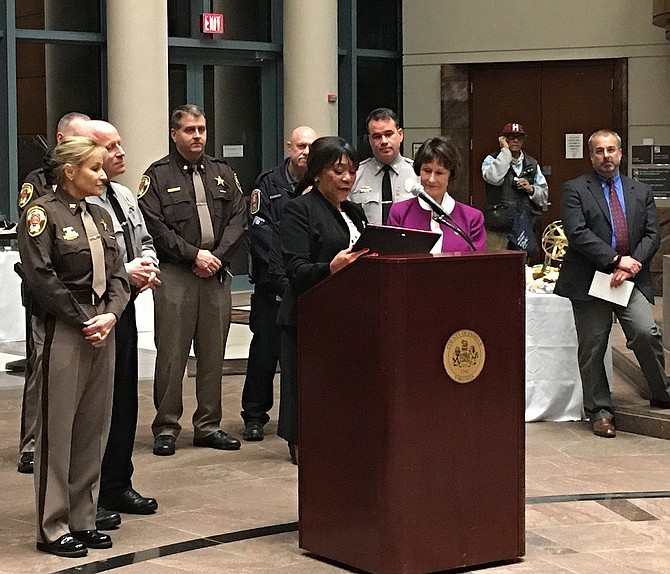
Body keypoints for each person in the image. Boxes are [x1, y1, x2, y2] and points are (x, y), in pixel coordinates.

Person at [17, 136, 130, 557]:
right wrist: (86, 320)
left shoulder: (100, 215)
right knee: (57, 430)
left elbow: (119, 274)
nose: (104, 175)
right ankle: (52, 526)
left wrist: (113, 315)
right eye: (95, 169)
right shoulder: (41, 214)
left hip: (104, 324)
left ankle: (83, 519)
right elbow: (42, 278)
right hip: (67, 327)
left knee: (92, 429)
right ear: (70, 172)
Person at [138, 104, 247, 456]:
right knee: (172, 355)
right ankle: (167, 427)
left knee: (213, 353)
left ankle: (208, 425)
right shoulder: (156, 176)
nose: (197, 135)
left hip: (216, 274)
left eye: (201, 129)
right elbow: (155, 226)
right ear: (175, 134)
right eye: (189, 130)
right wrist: (192, 255)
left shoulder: (222, 171)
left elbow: (238, 217)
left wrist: (216, 257)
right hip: (176, 275)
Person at [554, 129, 670, 438]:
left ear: (620, 153)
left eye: (611, 150)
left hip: (629, 277)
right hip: (590, 278)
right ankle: (600, 411)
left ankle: (660, 391)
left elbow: (652, 235)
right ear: (591, 156)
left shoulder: (640, 191)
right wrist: (614, 260)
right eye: (599, 151)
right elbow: (577, 232)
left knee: (646, 332)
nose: (606, 156)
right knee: (593, 346)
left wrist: (630, 266)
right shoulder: (576, 189)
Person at [277, 136, 369, 463]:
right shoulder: (298, 209)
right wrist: (331, 267)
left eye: (352, 172)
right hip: (308, 313)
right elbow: (296, 268)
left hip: (348, 313)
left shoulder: (355, 212)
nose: (347, 179)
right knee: (303, 382)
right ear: (317, 173)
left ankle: (341, 432)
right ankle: (300, 440)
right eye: (338, 171)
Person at [85, 121, 161, 514]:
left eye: (120, 144)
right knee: (96, 405)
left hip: (125, 308)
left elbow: (144, 240)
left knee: (125, 400)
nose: (120, 152)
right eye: (110, 146)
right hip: (95, 312)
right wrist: (125, 272)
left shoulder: (125, 196)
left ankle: (118, 482)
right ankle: (89, 493)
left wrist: (146, 265)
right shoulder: (78, 202)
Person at [14, 112, 91, 476]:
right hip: (45, 293)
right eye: (79, 138)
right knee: (39, 370)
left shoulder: (93, 187)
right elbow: (37, 241)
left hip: (84, 294)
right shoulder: (39, 182)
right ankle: (31, 444)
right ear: (61, 139)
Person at [241, 126, 318, 441]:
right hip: (272, 283)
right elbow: (259, 229)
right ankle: (255, 417)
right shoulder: (268, 182)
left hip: (308, 282)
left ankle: (303, 417)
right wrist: (286, 260)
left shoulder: (320, 183)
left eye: (312, 147)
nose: (306, 152)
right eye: (300, 146)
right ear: (289, 146)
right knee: (265, 351)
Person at [387, 136, 486, 252]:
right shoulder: (400, 212)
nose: (431, 179)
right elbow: (392, 259)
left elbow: (477, 264)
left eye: (439, 173)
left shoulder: (471, 218)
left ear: (451, 174)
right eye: (427, 171)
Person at [481, 122, 548, 252]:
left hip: (524, 227)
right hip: (498, 228)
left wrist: (531, 189)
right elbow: (494, 178)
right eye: (511, 137)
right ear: (504, 139)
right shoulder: (491, 160)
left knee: (522, 267)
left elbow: (544, 196)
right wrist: (505, 152)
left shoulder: (532, 164)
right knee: (497, 266)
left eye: (519, 137)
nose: (516, 140)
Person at [349, 108, 417, 224]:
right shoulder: (355, 176)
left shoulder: (418, 174)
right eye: (377, 137)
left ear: (400, 135)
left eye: (388, 134)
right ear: (370, 140)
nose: (384, 141)